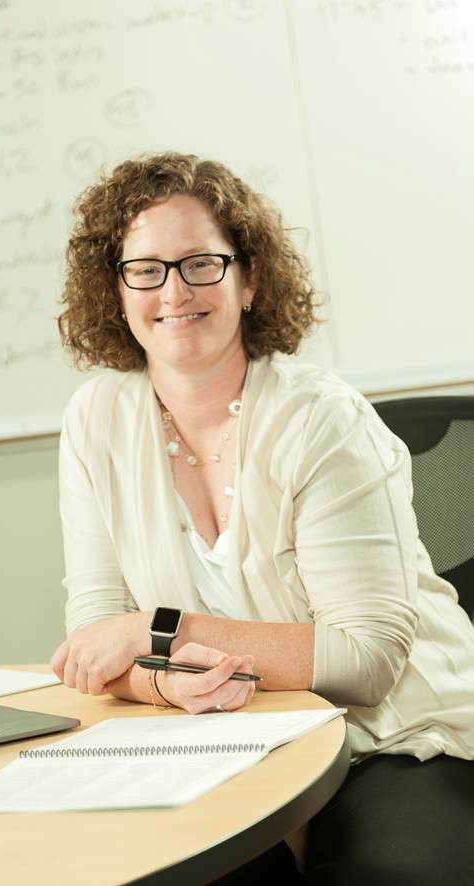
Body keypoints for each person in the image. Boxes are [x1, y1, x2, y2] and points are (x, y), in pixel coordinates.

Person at [50, 152, 474, 884]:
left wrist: (163, 631)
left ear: (248, 279)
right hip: (222, 741)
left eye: (201, 264)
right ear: (115, 291)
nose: (174, 290)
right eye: (145, 268)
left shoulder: (321, 421)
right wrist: (165, 683)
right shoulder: (96, 420)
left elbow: (366, 663)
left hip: (394, 737)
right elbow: (96, 642)